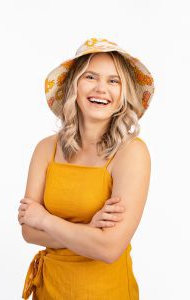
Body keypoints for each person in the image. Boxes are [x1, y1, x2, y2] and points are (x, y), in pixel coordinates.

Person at [18, 37, 154, 300]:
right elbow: (28, 230)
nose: (101, 88)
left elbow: (109, 248)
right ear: (74, 86)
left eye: (114, 81)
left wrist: (46, 220)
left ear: (123, 94)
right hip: (49, 290)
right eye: (90, 77)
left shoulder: (131, 152)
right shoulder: (46, 148)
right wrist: (88, 231)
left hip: (106, 292)